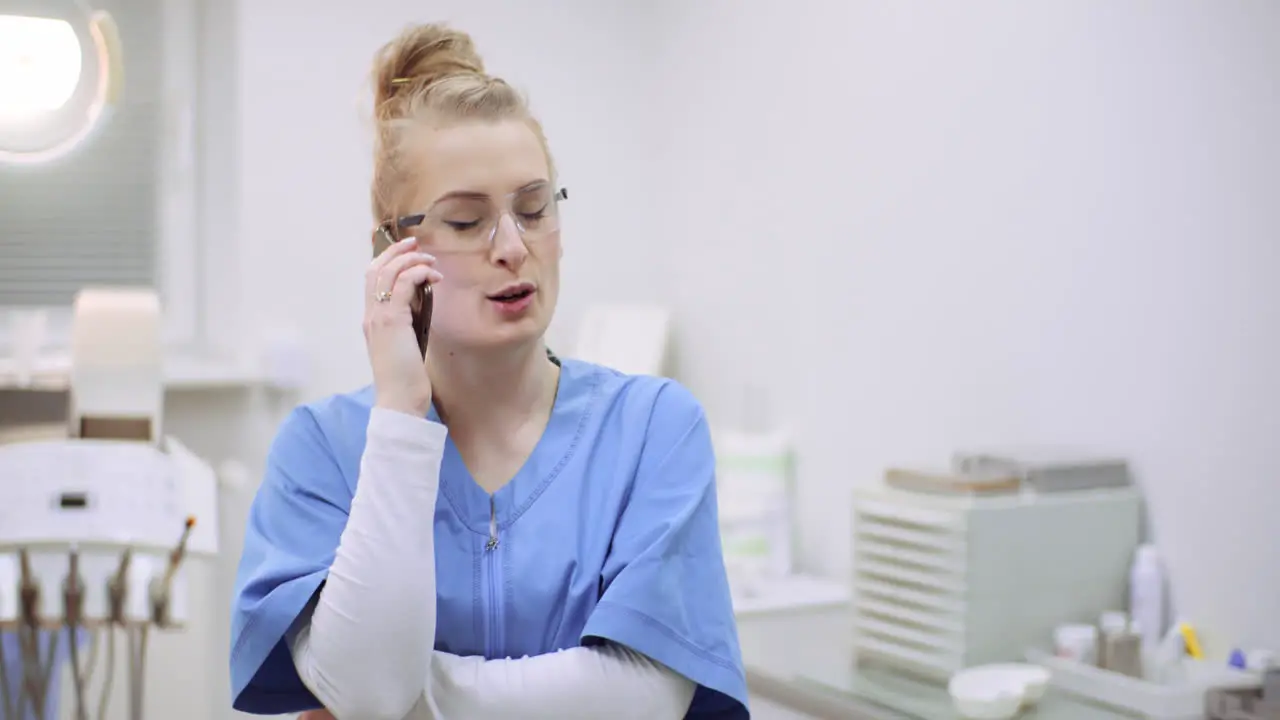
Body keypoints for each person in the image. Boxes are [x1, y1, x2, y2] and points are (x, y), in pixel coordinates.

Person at [227, 22, 748, 720]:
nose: (513, 246)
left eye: (533, 208)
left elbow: (646, 693)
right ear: (394, 251)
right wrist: (401, 419)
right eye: (468, 222)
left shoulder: (653, 427)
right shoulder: (322, 450)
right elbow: (372, 685)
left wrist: (417, 701)